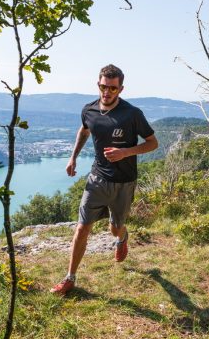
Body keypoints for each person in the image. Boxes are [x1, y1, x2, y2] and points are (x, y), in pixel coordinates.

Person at [50, 64, 158, 296]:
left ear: (121, 89)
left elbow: (152, 143)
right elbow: (84, 130)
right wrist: (73, 157)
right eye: (103, 87)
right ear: (97, 85)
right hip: (97, 178)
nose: (107, 92)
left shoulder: (132, 114)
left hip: (124, 182)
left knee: (115, 228)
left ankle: (123, 237)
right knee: (82, 228)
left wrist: (125, 152)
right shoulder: (88, 110)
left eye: (112, 88)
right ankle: (70, 278)